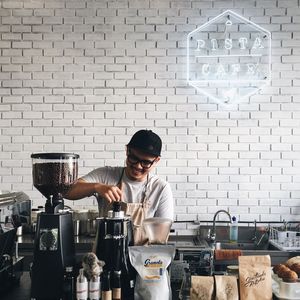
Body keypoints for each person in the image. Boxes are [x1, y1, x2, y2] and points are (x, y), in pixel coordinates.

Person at [66, 129, 174, 243]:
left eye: (146, 162)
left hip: (144, 259)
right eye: (133, 158)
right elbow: (67, 191)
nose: (138, 166)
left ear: (156, 160)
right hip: (106, 258)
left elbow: (160, 238)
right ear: (127, 150)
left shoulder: (161, 188)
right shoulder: (105, 175)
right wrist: (97, 187)